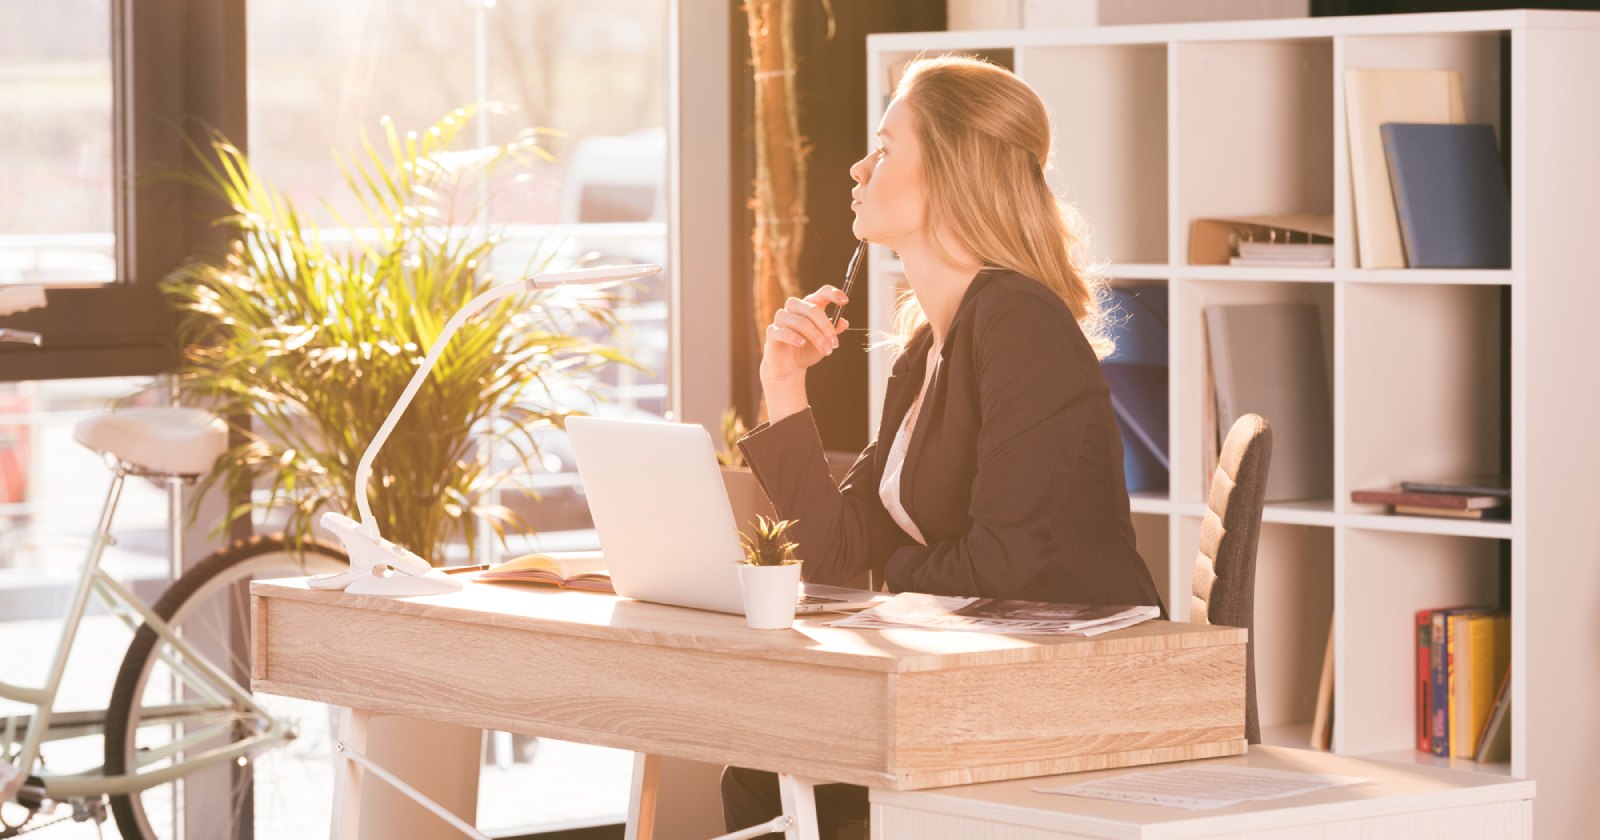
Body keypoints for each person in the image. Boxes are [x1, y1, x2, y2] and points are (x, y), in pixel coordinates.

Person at [720, 55, 1164, 838]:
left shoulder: (1020, 323)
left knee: (778, 781)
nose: (859, 166)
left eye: (885, 147)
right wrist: (784, 386)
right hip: (986, 669)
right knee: (761, 767)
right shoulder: (929, 345)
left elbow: (1008, 566)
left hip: (1071, 691)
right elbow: (832, 554)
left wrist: (891, 575)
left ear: (951, 172)